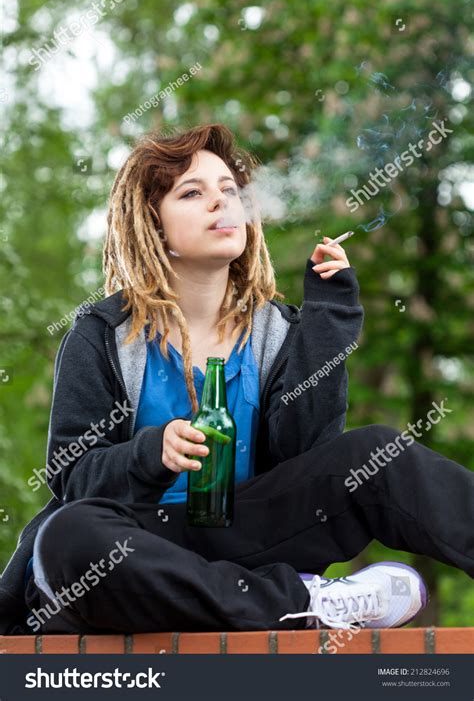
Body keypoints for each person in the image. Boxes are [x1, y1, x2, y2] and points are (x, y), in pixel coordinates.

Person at [1, 123, 472, 637]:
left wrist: (326, 321)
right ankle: (304, 602)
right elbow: (72, 480)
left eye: (230, 191)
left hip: (242, 541)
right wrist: (150, 452)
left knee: (377, 453)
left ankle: (269, 600)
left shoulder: (277, 332)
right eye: (192, 192)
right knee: (69, 536)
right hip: (132, 552)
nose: (220, 203)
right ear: (152, 224)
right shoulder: (103, 335)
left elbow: (308, 458)